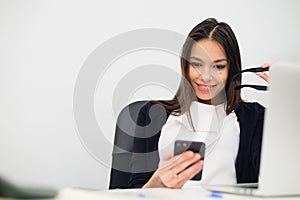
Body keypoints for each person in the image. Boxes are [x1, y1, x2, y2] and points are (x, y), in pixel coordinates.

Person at [127, 18, 270, 189]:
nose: (206, 76)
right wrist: (158, 183)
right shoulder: (152, 114)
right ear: (185, 65)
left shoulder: (254, 117)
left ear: (232, 69)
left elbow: (282, 173)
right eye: (197, 64)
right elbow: (135, 191)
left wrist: (289, 101)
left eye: (218, 67)